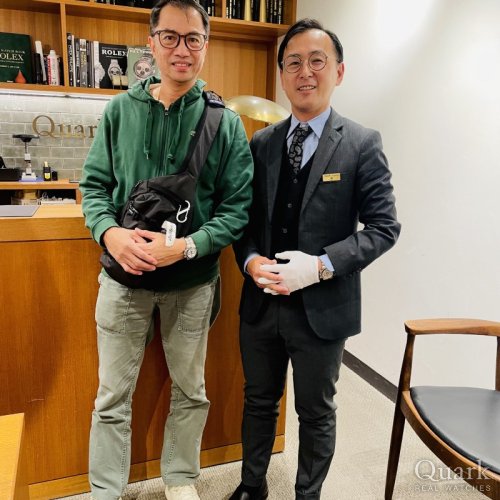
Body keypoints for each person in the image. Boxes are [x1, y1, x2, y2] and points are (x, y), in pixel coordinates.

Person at [79, 1, 253, 499]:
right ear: (151, 42)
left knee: (191, 391)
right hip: (122, 279)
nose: (182, 49)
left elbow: (237, 208)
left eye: (193, 38)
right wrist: (110, 233)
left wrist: (188, 248)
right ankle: (105, 490)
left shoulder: (225, 122)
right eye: (170, 37)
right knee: (111, 395)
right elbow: (93, 187)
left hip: (192, 284)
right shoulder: (119, 111)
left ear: (205, 45)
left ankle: (180, 481)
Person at [231, 18, 401, 500]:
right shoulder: (263, 142)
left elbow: (384, 228)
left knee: (316, 411)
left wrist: (320, 265)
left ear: (338, 72)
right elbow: (245, 222)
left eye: (316, 61)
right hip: (261, 303)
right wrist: (250, 260)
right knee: (258, 401)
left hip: (323, 310)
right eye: (293, 63)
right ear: (282, 76)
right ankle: (251, 486)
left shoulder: (362, 143)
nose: (305, 72)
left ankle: (308, 495)